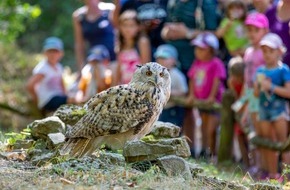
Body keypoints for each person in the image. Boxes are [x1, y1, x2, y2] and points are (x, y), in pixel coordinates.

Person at [161, 0, 220, 158]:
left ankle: (203, 151)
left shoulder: (204, 4)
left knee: (202, 114)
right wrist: (166, 32)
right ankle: (187, 149)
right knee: (184, 109)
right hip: (175, 64)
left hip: (199, 65)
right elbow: (166, 26)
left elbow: (215, 34)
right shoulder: (173, 3)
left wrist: (188, 33)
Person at [235, 12, 269, 177]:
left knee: (261, 130)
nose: (252, 34)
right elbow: (247, 77)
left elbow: (265, 76)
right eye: (249, 30)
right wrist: (242, 99)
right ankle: (254, 164)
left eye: (256, 30)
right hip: (248, 93)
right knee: (249, 128)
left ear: (265, 31)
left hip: (260, 95)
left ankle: (264, 166)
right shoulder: (248, 51)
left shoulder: (265, 52)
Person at [254, 33, 290, 181]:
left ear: (279, 51)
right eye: (264, 51)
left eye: (271, 51)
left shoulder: (284, 70)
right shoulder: (260, 71)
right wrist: (258, 87)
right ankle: (272, 174)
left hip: (280, 111)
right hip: (264, 111)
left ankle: (287, 176)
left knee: (283, 144)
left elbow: (288, 92)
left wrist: (271, 87)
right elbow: (256, 94)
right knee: (268, 142)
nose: (267, 55)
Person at [186, 32, 226, 158]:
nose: (197, 51)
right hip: (201, 101)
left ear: (211, 50)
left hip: (214, 102)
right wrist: (192, 95)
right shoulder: (196, 63)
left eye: (202, 48)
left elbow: (217, 80)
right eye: (196, 48)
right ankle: (203, 151)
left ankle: (212, 153)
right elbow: (192, 78)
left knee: (211, 129)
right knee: (203, 126)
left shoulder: (216, 63)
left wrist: (212, 97)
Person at [26, 37, 77, 114]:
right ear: (45, 53)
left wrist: (66, 94)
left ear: (61, 53)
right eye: (50, 51)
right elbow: (30, 85)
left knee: (74, 97)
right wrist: (37, 100)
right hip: (48, 99)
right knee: (72, 100)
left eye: (55, 51)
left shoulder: (58, 67)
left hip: (57, 97)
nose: (52, 54)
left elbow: (61, 83)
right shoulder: (43, 68)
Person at [73, 0, 116, 74]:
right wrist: (80, 68)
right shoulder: (79, 16)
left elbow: (118, 34)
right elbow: (79, 44)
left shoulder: (110, 9)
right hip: (94, 61)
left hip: (113, 60)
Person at [112, 10, 151, 86]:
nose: (127, 29)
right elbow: (118, 69)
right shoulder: (120, 44)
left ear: (138, 27)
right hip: (125, 87)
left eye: (131, 26)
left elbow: (146, 67)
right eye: (125, 25)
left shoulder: (142, 42)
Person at [155, 44, 188, 127]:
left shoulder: (176, 75)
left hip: (173, 110)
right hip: (160, 109)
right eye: (159, 58)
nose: (161, 61)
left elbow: (184, 91)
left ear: (173, 60)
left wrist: (170, 92)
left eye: (164, 58)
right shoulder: (156, 75)